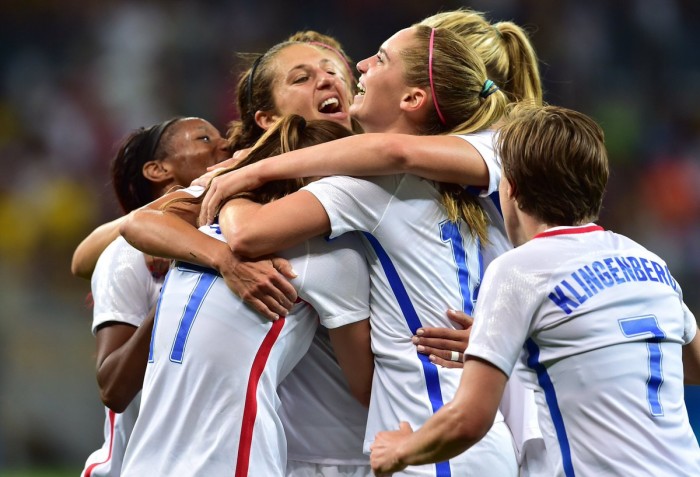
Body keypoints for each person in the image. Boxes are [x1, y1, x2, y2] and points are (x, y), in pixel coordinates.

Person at [196, 24, 521, 477]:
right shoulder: (469, 169)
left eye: (381, 59)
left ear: (413, 98)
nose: (360, 65)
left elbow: (248, 234)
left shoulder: (370, 185)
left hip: (430, 440)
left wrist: (242, 176)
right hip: (462, 434)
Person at [369, 103, 700, 476]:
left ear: (512, 189)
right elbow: (689, 364)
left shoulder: (518, 269)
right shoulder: (649, 262)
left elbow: (468, 421)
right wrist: (525, 348)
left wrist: (399, 451)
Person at [119, 115, 372, 476]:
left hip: (182, 457)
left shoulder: (202, 227)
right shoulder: (328, 254)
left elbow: (136, 224)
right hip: (207, 458)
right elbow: (366, 386)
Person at [80, 116, 234, 476]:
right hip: (133, 466)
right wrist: (176, 295)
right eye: (204, 138)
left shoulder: (234, 242)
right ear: (158, 169)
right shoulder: (127, 256)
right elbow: (114, 388)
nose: (223, 144)